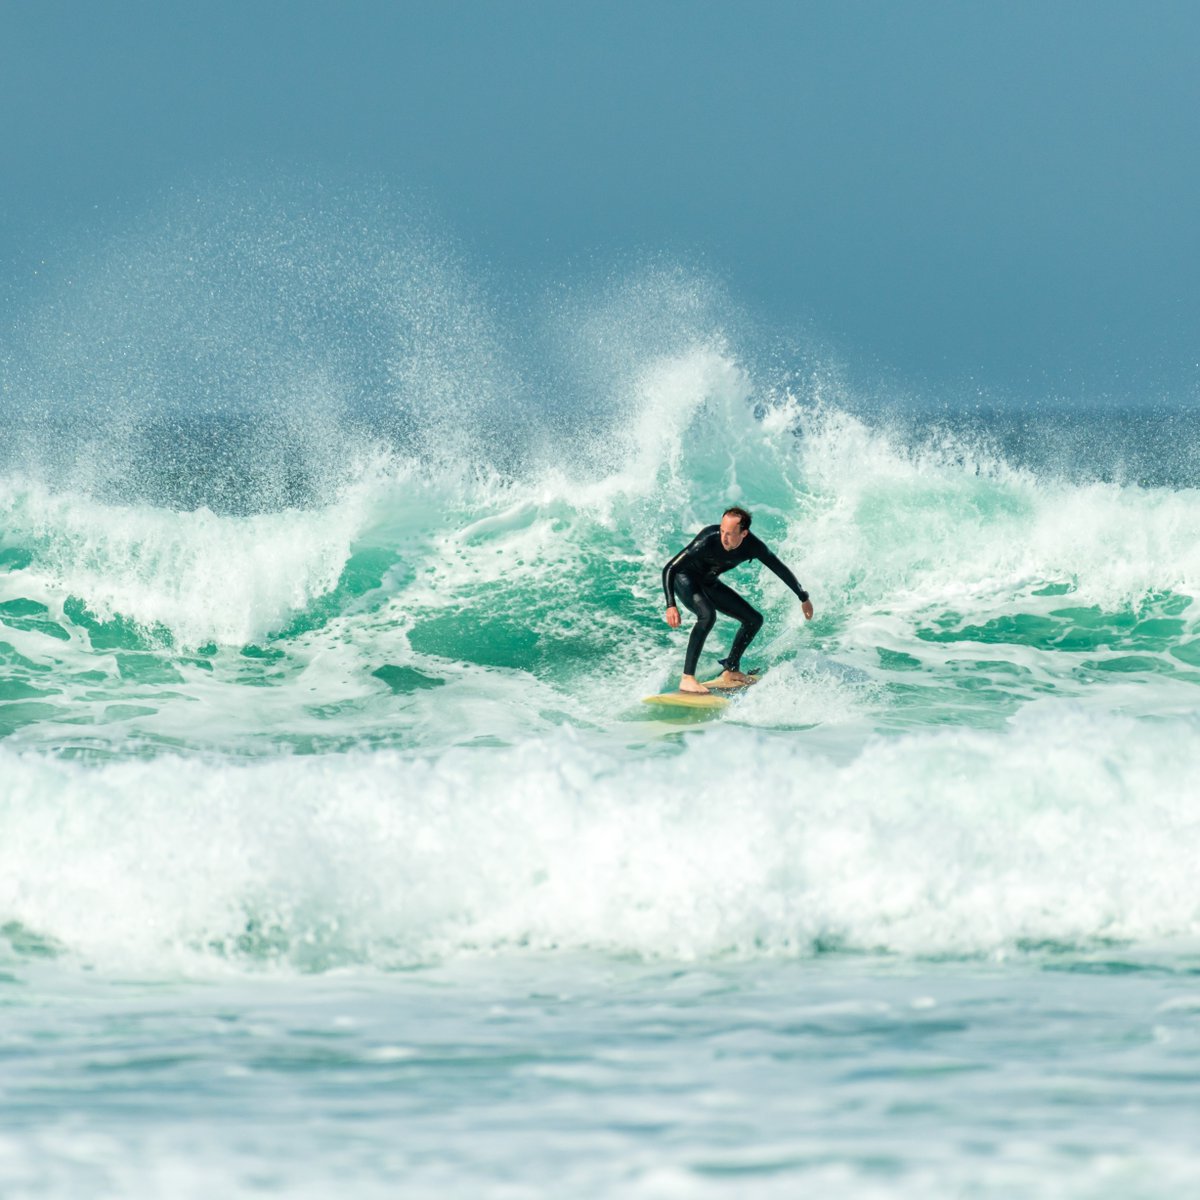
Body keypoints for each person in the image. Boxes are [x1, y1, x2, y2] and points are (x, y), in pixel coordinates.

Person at [661, 506, 814, 694]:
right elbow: (670, 568)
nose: (723, 538)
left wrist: (803, 597)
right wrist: (671, 605)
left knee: (754, 620)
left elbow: (779, 569)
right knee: (707, 615)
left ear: (744, 533)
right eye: (722, 531)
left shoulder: (754, 546)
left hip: (708, 581)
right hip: (685, 578)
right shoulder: (708, 539)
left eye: (730, 534)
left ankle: (731, 670)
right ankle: (687, 678)